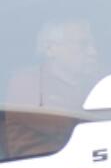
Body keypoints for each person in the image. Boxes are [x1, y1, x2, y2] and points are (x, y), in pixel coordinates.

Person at [4, 17, 101, 158]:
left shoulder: (91, 82)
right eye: (83, 44)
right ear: (50, 49)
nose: (93, 52)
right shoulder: (27, 83)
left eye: (93, 45)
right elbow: (64, 126)